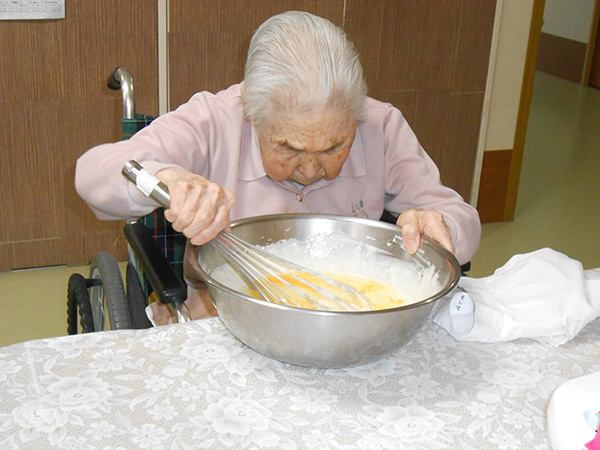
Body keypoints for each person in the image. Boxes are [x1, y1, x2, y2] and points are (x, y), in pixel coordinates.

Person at [76, 11, 481, 323]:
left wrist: (441, 227)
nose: (310, 170)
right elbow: (94, 172)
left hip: (342, 316)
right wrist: (165, 177)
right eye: (289, 147)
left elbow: (462, 218)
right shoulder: (214, 120)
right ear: (251, 111)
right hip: (224, 313)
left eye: (334, 146)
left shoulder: (382, 126)